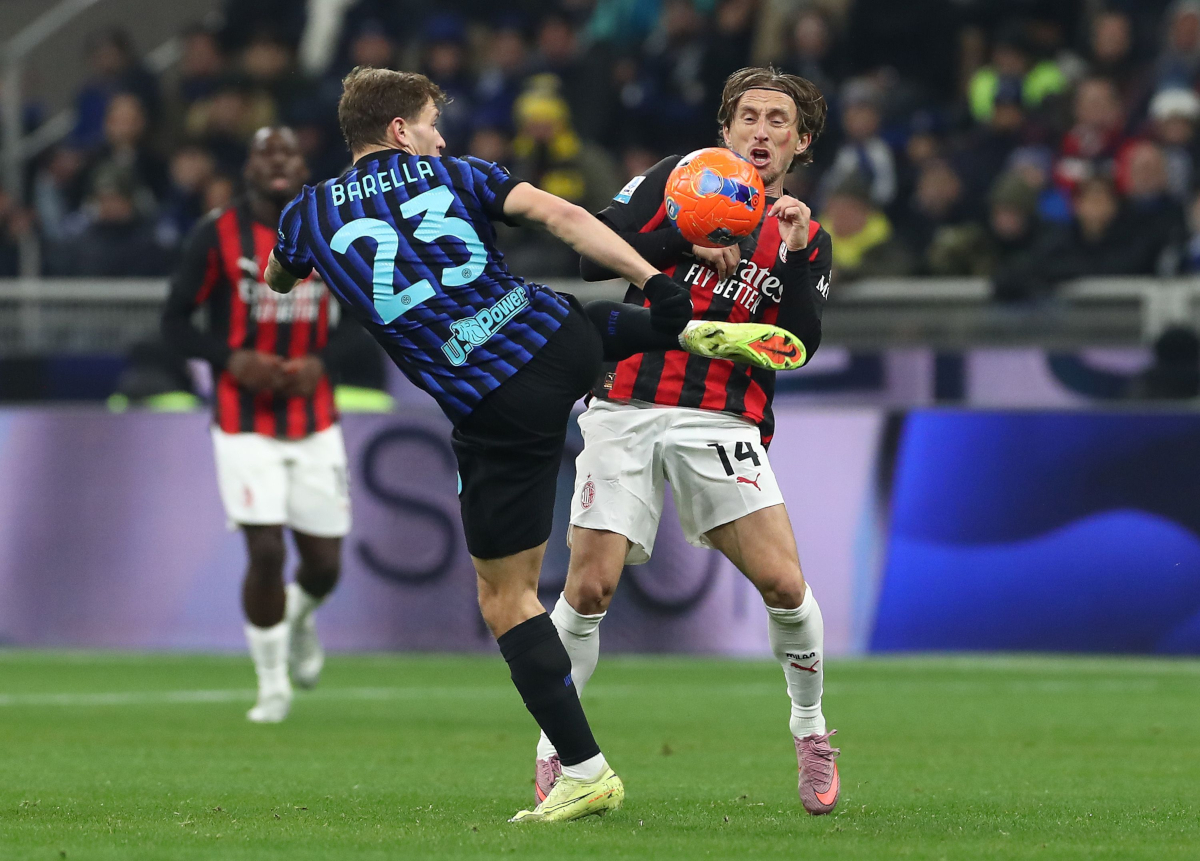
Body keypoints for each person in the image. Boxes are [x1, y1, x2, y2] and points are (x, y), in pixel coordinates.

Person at [263, 66, 800, 824]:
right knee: (570, 313)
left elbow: (281, 278)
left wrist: (293, 263)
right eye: (428, 123)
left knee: (506, 597)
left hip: (492, 401)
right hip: (559, 342)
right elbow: (563, 217)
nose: (439, 137)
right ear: (398, 135)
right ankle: (677, 331)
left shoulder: (305, 215)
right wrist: (654, 279)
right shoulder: (454, 173)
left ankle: (583, 770)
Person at [531, 66, 843, 817]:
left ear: (801, 142)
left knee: (783, 585)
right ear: (725, 131)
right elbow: (586, 255)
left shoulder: (804, 231)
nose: (761, 131)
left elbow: (796, 343)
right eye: (748, 118)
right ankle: (560, 752)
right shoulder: (676, 180)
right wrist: (685, 235)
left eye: (778, 121)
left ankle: (810, 729)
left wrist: (798, 258)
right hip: (627, 401)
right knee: (588, 586)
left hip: (722, 419)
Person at [162, 128, 362, 724]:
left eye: (289, 155)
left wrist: (322, 361)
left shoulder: (334, 227)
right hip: (241, 417)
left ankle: (299, 621)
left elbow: (368, 313)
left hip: (313, 413)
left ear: (304, 167)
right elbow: (174, 322)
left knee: (324, 566)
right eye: (264, 154)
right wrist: (230, 360)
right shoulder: (215, 235)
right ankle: (271, 685)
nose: (277, 163)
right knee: (267, 549)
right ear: (247, 167)